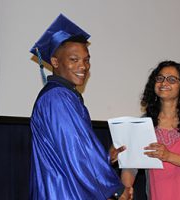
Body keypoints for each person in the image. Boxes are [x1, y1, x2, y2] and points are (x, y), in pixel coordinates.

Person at [29, 14, 132, 200]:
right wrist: (114, 188)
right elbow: (77, 151)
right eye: (74, 60)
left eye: (86, 60)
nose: (83, 66)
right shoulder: (57, 98)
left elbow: (68, 151)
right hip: (64, 192)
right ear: (55, 62)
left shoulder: (63, 95)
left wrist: (105, 159)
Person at [122, 60, 180, 200]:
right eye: (160, 78)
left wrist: (169, 156)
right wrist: (126, 189)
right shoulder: (144, 122)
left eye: (172, 79)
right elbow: (130, 167)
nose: (164, 83)